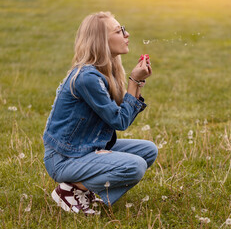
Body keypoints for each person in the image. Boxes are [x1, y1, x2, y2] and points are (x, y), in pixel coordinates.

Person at [43, 11, 158, 215]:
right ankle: (71, 190)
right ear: (101, 41)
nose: (127, 34)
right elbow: (119, 122)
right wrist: (134, 80)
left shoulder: (107, 72)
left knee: (148, 151)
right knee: (135, 166)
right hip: (64, 158)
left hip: (83, 148)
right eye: (119, 31)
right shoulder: (87, 78)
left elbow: (122, 117)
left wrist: (137, 83)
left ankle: (87, 194)